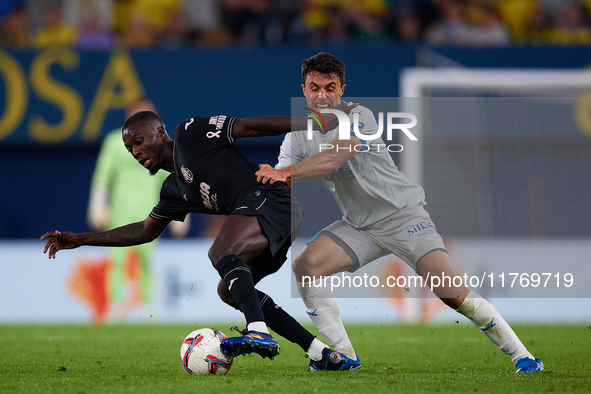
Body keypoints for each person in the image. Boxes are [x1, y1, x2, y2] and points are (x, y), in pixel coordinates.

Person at [255, 52, 544, 373]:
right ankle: (344, 356)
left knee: (450, 293)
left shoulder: (359, 115)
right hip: (359, 226)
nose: (322, 95)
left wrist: (285, 173)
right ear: (304, 90)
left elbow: (333, 159)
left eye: (330, 87)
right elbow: (276, 188)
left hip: (403, 217)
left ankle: (524, 357)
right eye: (315, 87)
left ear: (342, 90)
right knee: (305, 266)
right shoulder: (295, 137)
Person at [41, 105, 358, 370]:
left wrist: (313, 122)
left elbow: (249, 128)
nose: (136, 152)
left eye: (139, 141)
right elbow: (144, 231)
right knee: (229, 292)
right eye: (129, 149)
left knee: (220, 251)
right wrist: (81, 239)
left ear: (160, 133)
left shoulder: (189, 133)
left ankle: (258, 331)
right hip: (273, 224)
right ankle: (319, 353)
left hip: (274, 200)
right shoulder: (173, 190)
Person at [87, 98, 189, 321]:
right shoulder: (115, 142)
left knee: (147, 260)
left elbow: (174, 178)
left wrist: (182, 216)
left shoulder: (160, 145)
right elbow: (102, 177)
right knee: (117, 260)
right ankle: (115, 305)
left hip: (151, 211)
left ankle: (149, 307)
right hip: (121, 212)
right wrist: (97, 206)